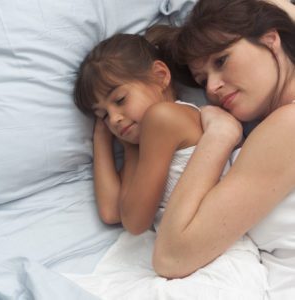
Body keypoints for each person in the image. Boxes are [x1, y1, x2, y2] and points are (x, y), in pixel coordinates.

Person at [72, 33, 268, 299]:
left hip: (214, 257)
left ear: (161, 76)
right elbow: (111, 212)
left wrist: (127, 146)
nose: (115, 120)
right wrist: (102, 136)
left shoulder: (163, 118)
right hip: (192, 252)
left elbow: (135, 221)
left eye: (120, 100)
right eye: (103, 115)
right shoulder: (151, 139)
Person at [147, 0, 295, 299]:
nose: (212, 88)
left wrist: (220, 135)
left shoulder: (288, 126)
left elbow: (172, 256)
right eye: (202, 81)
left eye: (221, 60)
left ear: (271, 38)